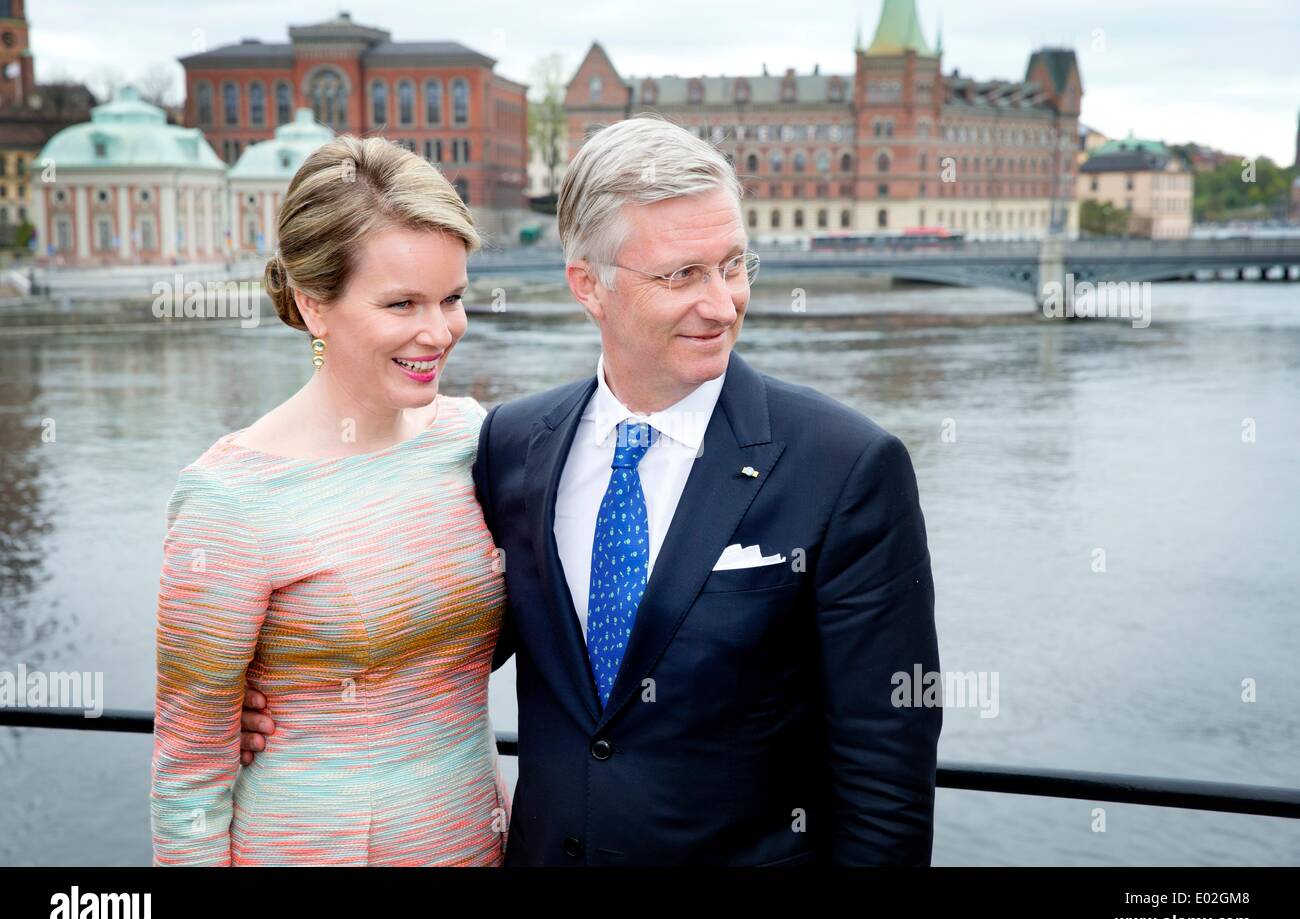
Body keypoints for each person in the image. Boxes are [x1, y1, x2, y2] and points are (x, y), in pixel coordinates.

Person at [245, 116, 942, 866]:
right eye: (681, 275)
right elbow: (457, 630)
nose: (721, 303)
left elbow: (886, 780)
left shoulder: (847, 467)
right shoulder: (511, 446)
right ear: (588, 285)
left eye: (733, 265)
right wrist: (290, 683)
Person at [151, 135, 508, 866]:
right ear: (315, 305)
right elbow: (189, 771)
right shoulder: (231, 498)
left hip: (480, 841)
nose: (438, 331)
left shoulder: (477, 442)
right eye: (402, 303)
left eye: (452, 298)